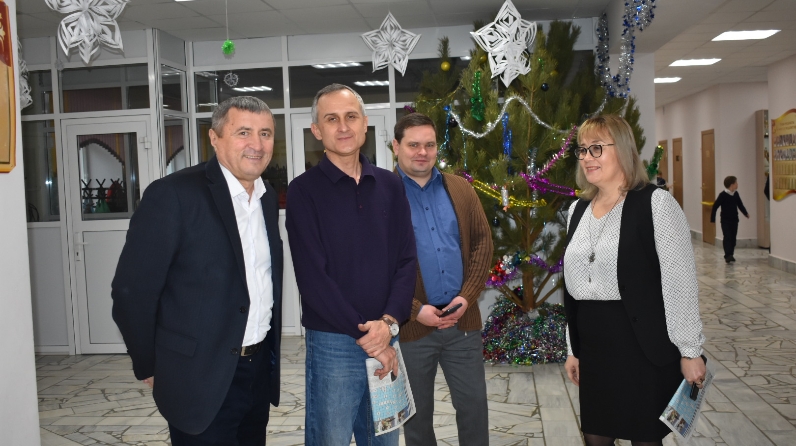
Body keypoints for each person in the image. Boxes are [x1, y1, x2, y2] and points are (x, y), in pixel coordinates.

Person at [111, 96, 283, 445]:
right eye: (244, 132)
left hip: (256, 373)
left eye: (265, 133)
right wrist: (149, 365)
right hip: (198, 377)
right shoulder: (173, 195)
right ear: (215, 138)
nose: (257, 144)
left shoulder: (266, 198)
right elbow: (132, 292)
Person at [285, 84, 417, 446]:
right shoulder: (303, 191)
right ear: (317, 130)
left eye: (350, 117)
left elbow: (407, 260)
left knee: (384, 440)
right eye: (331, 119)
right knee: (331, 439)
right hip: (334, 343)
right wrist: (369, 337)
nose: (343, 127)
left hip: (386, 333)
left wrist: (387, 324)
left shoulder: (390, 185)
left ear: (365, 124)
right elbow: (313, 278)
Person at [562, 115, 706, 446]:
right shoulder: (577, 210)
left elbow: (680, 282)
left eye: (597, 148)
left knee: (644, 439)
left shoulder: (655, 203)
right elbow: (573, 288)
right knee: (596, 438)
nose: (587, 157)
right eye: (582, 150)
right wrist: (574, 349)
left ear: (624, 149)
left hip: (641, 346)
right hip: (595, 348)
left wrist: (690, 351)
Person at [391, 113, 493, 446]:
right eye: (413, 145)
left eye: (429, 144)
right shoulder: (383, 195)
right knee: (417, 419)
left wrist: (466, 298)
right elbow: (376, 265)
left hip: (462, 323)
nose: (422, 152)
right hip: (412, 328)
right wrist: (414, 309)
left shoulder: (461, 189)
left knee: (474, 408)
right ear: (396, 147)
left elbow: (482, 243)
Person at [710, 175, 749, 263]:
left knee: (733, 238)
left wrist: (745, 213)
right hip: (725, 220)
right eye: (736, 183)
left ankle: (731, 254)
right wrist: (712, 219)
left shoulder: (736, 194)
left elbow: (740, 205)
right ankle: (727, 255)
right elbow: (715, 206)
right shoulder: (722, 195)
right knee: (727, 236)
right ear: (732, 185)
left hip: (734, 219)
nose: (737, 184)